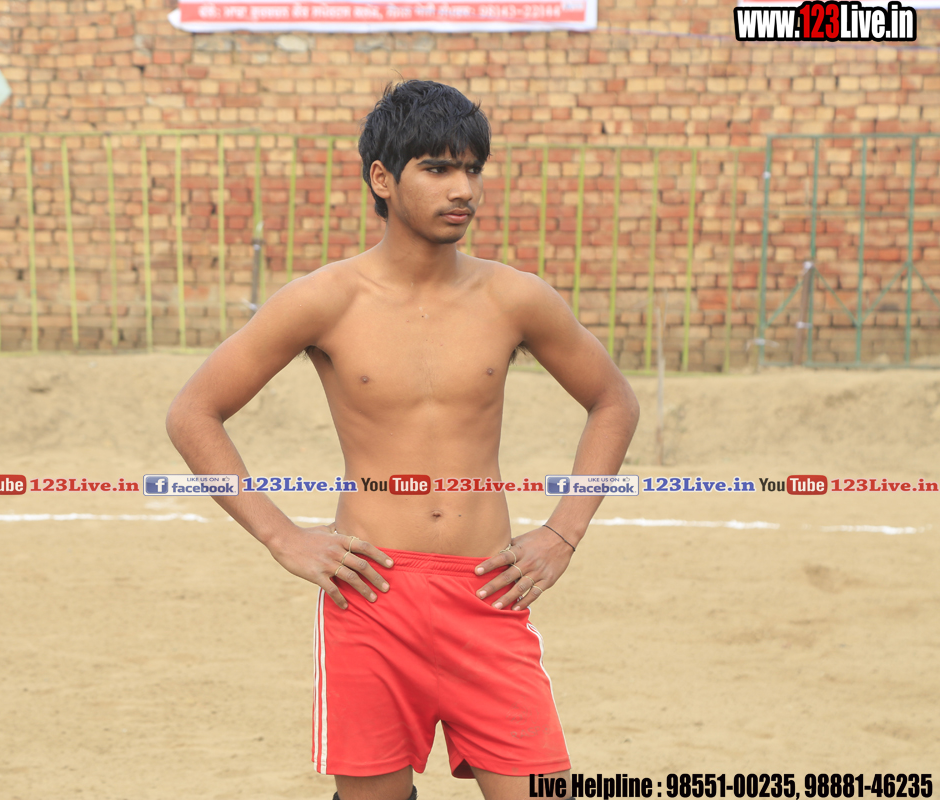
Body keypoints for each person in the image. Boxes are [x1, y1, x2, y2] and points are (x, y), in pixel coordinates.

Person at [165, 80, 640, 800]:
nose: (463, 189)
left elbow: (612, 401)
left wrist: (563, 533)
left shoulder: (514, 297)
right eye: (437, 168)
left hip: (487, 592)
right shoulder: (325, 299)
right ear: (382, 179)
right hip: (373, 594)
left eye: (472, 169)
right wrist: (281, 536)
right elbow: (194, 413)